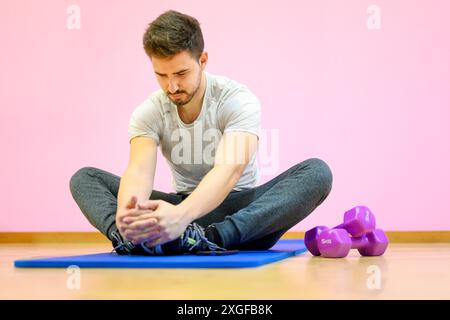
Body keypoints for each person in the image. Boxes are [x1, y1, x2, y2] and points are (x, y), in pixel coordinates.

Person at [69, 10, 333, 255]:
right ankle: (131, 241)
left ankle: (207, 238)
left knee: (317, 173)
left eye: (181, 73)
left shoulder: (237, 100)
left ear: (203, 60)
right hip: (179, 209)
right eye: (161, 75)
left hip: (241, 214)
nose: (171, 86)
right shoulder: (148, 111)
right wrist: (128, 216)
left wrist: (181, 217)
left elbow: (228, 170)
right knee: (85, 178)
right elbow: (138, 172)